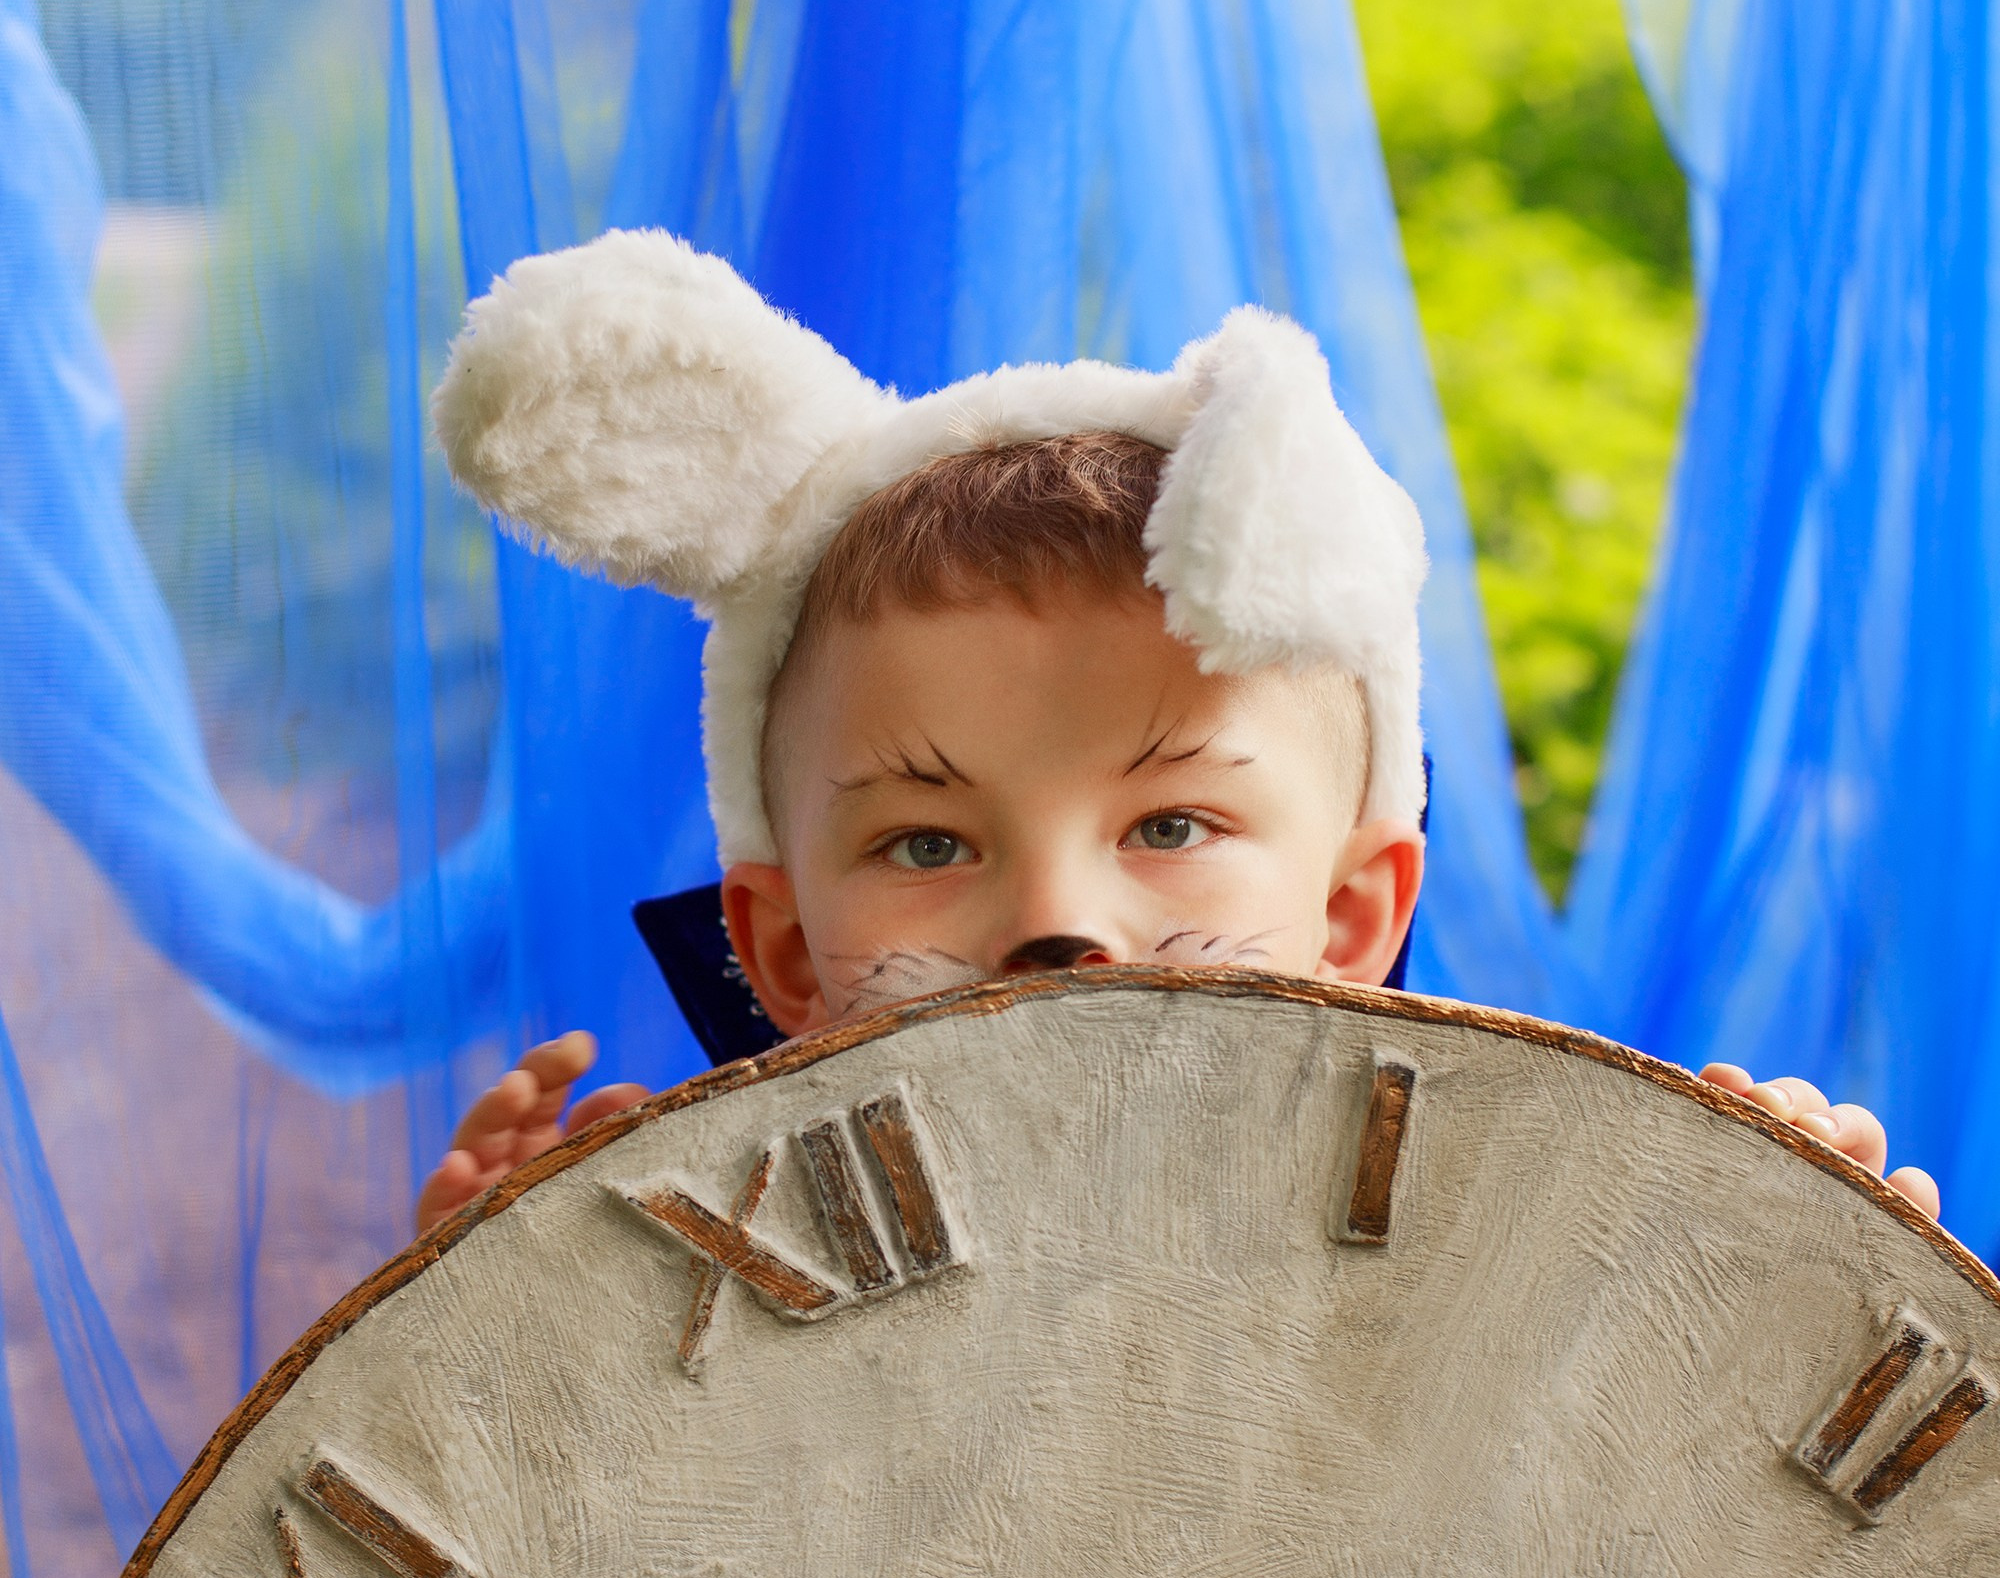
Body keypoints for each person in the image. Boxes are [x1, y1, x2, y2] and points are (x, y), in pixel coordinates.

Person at [413, 232, 1938, 1236]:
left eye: (1170, 826)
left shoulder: (1504, 1235)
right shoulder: (708, 1253)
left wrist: (1756, 1259)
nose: (1060, 927)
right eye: (928, 842)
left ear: (1351, 915)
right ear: (788, 952)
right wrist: (508, 1319)